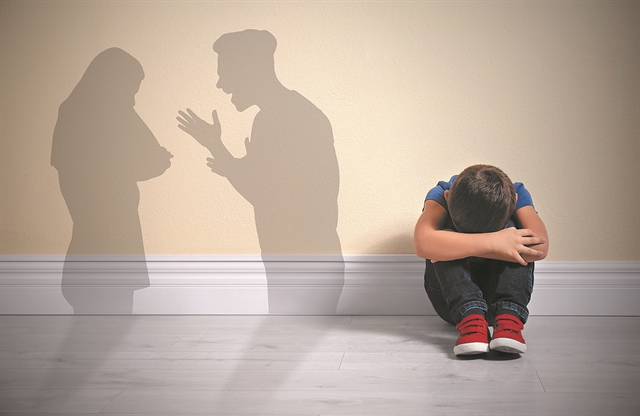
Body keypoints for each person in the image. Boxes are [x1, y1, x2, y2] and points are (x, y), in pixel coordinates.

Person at [177, 30, 344, 314]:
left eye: (225, 73)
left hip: (301, 267)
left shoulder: (278, 119)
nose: (220, 83)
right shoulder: (288, 113)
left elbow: (264, 195)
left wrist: (217, 148)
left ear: (249, 69)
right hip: (305, 263)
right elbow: (269, 188)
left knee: (290, 336)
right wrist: (228, 157)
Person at [414, 164, 548, 356]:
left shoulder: (515, 191)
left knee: (522, 234)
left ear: (515, 199)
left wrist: (461, 245)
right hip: (452, 306)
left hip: (499, 304)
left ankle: (509, 318)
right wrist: (495, 243)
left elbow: (540, 248)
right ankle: (471, 319)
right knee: (439, 236)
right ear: (447, 197)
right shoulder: (441, 192)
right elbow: (422, 243)